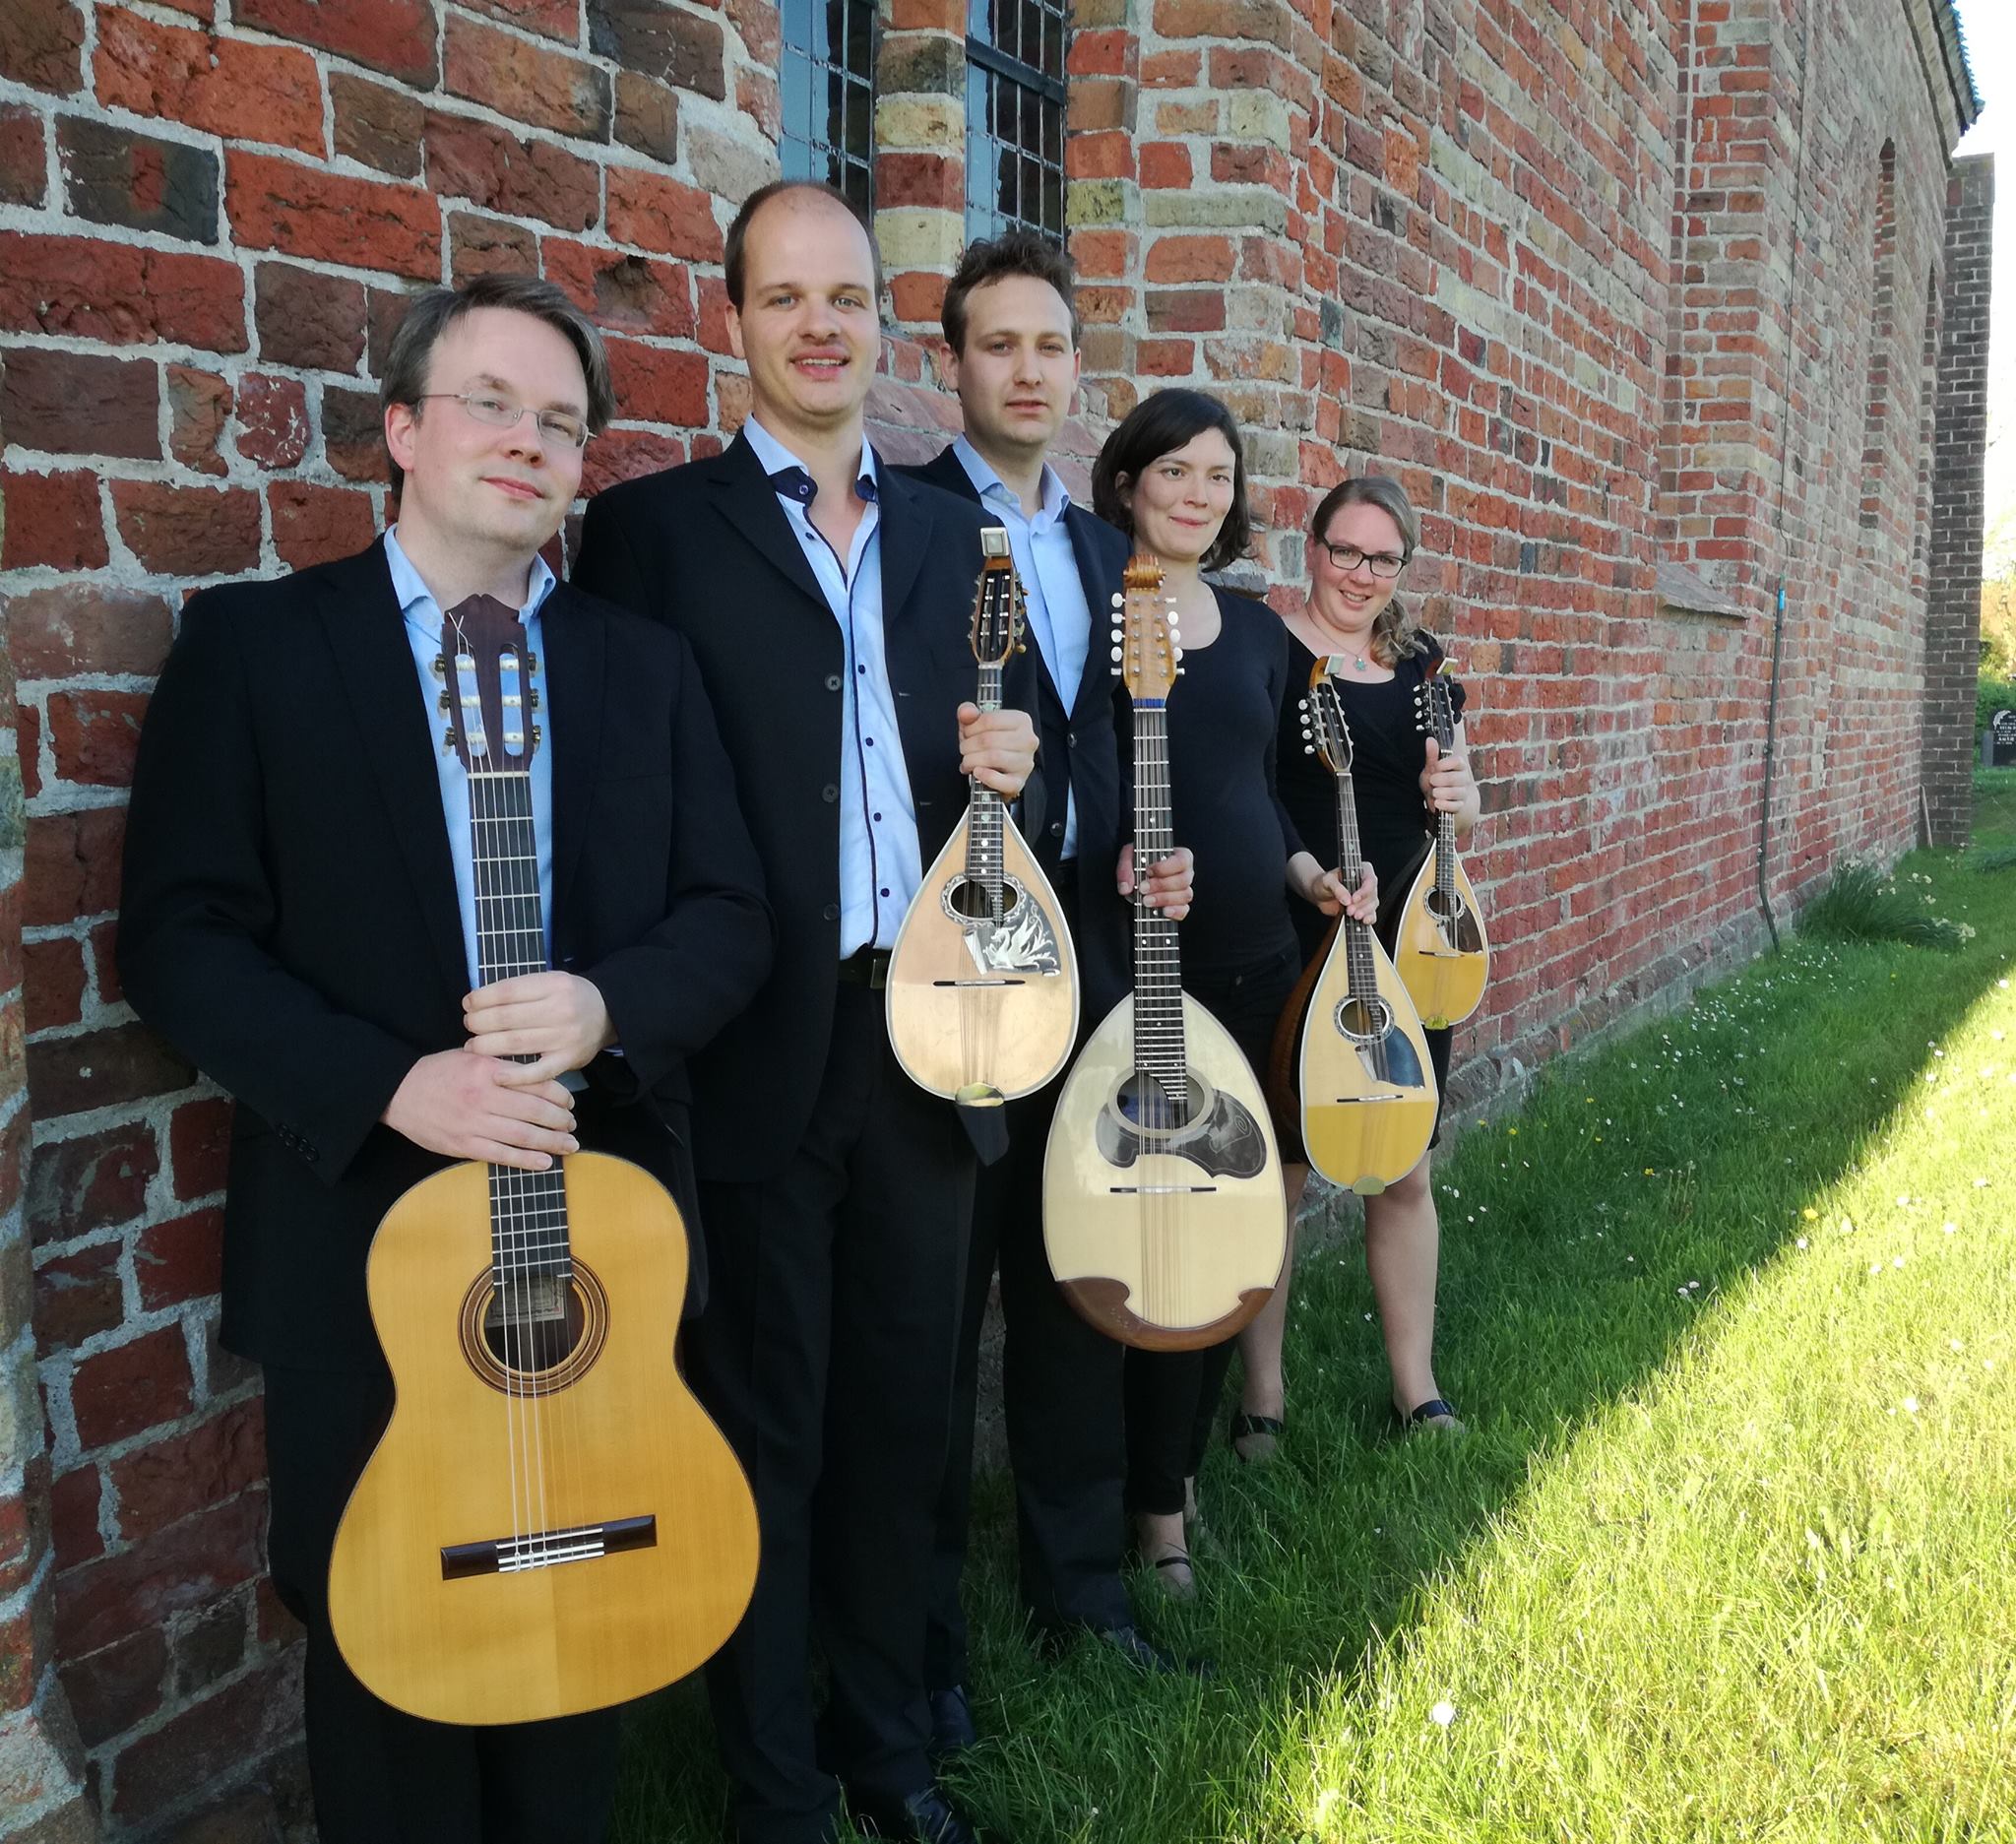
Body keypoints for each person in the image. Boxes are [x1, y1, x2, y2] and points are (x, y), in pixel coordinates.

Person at [117, 273, 773, 1843]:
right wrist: (390, 1084)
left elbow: (730, 914)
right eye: (492, 400)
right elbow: (180, 938)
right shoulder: (261, 647)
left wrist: (609, 1007)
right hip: (364, 1252)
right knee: (394, 1674)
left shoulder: (641, 666)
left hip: (590, 1236)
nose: (529, 441)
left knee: (580, 1652)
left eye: (562, 422)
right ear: (402, 428)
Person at [572, 183, 1042, 1844]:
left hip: (933, 1040)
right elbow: (615, 800)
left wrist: (1019, 773)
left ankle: (887, 1752)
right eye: (784, 299)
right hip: (754, 1043)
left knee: (901, 1417)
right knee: (762, 1421)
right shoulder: (649, 535)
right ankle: (772, 1788)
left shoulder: (948, 534)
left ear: (879, 316)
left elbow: (1034, 767)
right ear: (737, 321)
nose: (818, 325)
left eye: (843, 295)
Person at [894, 231, 1198, 1749]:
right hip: (952, 977)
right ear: (952, 361)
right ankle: (925, 1648)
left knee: (1076, 1293)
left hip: (1082, 963)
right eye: (998, 343)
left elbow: (1094, 751)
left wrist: (1140, 854)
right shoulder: (894, 520)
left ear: (1078, 370)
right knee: (940, 1315)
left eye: (1052, 345)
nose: (1028, 369)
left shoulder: (1099, 553)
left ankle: (1081, 1597)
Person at [1088, 391, 1376, 1595]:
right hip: (1147, 977)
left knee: (1229, 1234)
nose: (1198, 493)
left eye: (1217, 474)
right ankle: (1140, 1501)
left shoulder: (1259, 634)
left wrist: (1316, 879)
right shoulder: (1098, 610)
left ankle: (1177, 1479)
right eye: (1174, 471)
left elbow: (1262, 797)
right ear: (1128, 484)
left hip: (1264, 963)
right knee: (1145, 1236)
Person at [1236, 474, 1482, 1454]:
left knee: (1404, 1170)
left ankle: (1414, 1388)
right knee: (1282, 1173)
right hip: (1295, 930)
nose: (1359, 574)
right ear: (1312, 545)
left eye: (1382, 558)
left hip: (1407, 943)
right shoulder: (1264, 650)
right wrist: (1305, 880)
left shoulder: (1423, 671)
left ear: (1401, 568)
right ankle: (1261, 1395)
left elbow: (1464, 811)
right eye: (1344, 550)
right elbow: (1242, 790)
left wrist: (1455, 792)